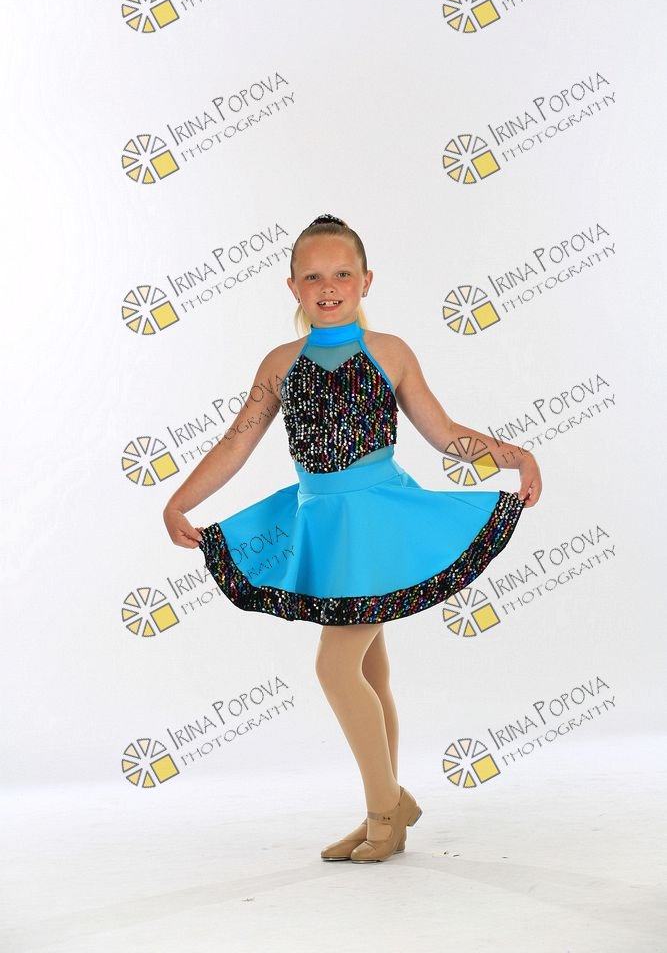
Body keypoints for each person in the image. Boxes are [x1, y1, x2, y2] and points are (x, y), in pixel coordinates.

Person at [163, 214, 542, 864]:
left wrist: (514, 455)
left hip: (378, 521)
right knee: (369, 669)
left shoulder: (389, 352)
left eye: (342, 273)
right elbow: (235, 444)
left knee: (334, 667)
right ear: (293, 288)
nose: (328, 286)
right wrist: (180, 501)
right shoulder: (280, 364)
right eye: (313, 277)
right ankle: (385, 810)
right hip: (322, 523)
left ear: (366, 281)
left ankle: (384, 810)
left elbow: (444, 433)